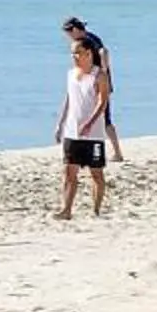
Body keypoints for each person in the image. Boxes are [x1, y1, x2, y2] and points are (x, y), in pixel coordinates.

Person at [56, 38, 110, 219]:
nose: (74, 56)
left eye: (78, 52)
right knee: (69, 172)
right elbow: (69, 99)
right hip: (72, 132)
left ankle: (96, 209)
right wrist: (60, 123)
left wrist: (89, 123)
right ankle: (66, 210)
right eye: (73, 53)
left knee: (96, 175)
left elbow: (103, 103)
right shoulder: (71, 74)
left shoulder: (99, 76)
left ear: (88, 53)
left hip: (93, 134)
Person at [62, 17, 126, 164]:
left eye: (69, 33)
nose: (69, 37)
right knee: (91, 114)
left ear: (76, 29)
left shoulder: (89, 39)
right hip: (86, 83)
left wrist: (104, 72)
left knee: (105, 118)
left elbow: (104, 52)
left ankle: (117, 152)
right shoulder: (83, 41)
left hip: (98, 84)